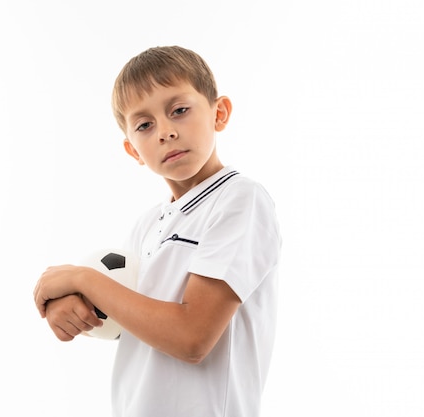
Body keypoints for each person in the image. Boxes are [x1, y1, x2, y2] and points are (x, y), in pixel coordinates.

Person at [33, 45, 282, 417]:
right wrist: (75, 309)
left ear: (220, 112)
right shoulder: (147, 226)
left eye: (179, 111)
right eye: (144, 125)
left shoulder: (240, 200)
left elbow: (191, 337)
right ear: (133, 150)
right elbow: (128, 322)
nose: (165, 132)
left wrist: (82, 278)